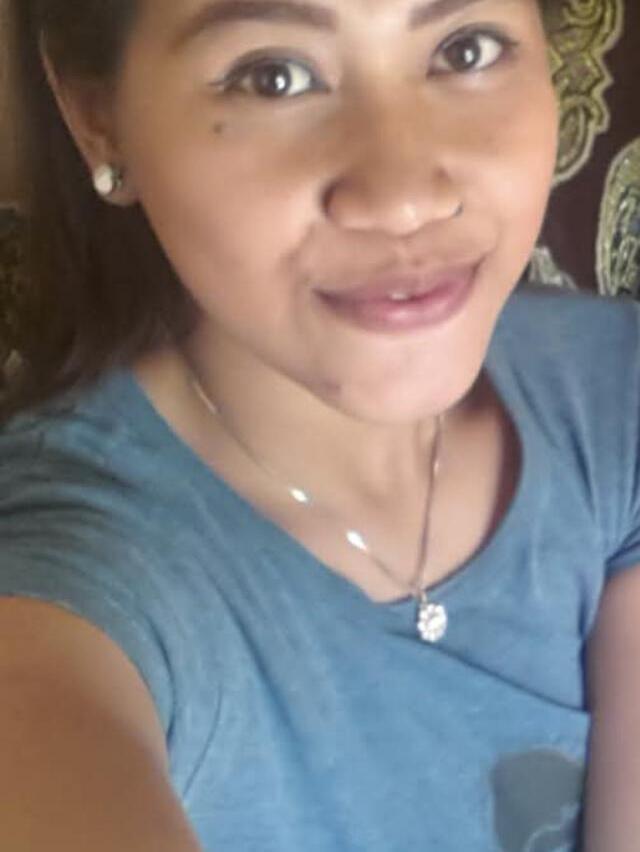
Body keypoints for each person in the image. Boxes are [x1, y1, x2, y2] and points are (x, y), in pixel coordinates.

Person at [0, 0, 638, 849]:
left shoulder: (611, 392)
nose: (406, 198)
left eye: (465, 49)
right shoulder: (74, 573)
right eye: (274, 77)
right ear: (98, 120)